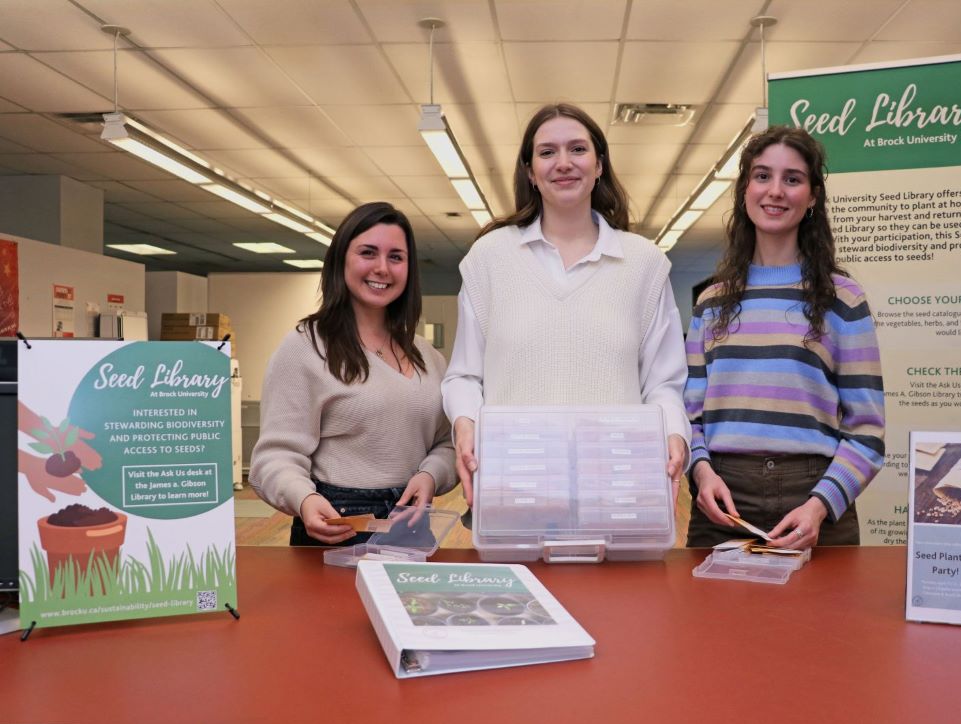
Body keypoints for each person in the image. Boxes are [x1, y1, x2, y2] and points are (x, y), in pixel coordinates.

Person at [441, 103, 690, 506]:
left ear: (599, 165)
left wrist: (673, 433)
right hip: (513, 485)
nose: (563, 163)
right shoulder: (489, 258)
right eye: (547, 152)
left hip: (615, 488)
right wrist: (466, 423)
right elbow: (464, 376)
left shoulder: (644, 263)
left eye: (577, 149)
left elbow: (663, 383)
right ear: (530, 172)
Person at [684, 126, 885, 549]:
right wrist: (701, 473)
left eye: (792, 179)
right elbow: (690, 418)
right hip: (722, 501)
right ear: (744, 190)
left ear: (812, 196)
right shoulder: (711, 303)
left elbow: (867, 429)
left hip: (816, 501)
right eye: (762, 176)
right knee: (713, 618)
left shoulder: (843, 300)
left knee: (823, 618)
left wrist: (819, 504)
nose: (775, 191)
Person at [250, 202, 456, 546]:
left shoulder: (428, 357)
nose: (382, 268)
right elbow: (273, 457)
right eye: (368, 253)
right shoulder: (306, 347)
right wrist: (304, 498)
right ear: (341, 260)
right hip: (335, 521)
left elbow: (449, 440)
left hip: (411, 525)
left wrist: (431, 475)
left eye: (396, 257)